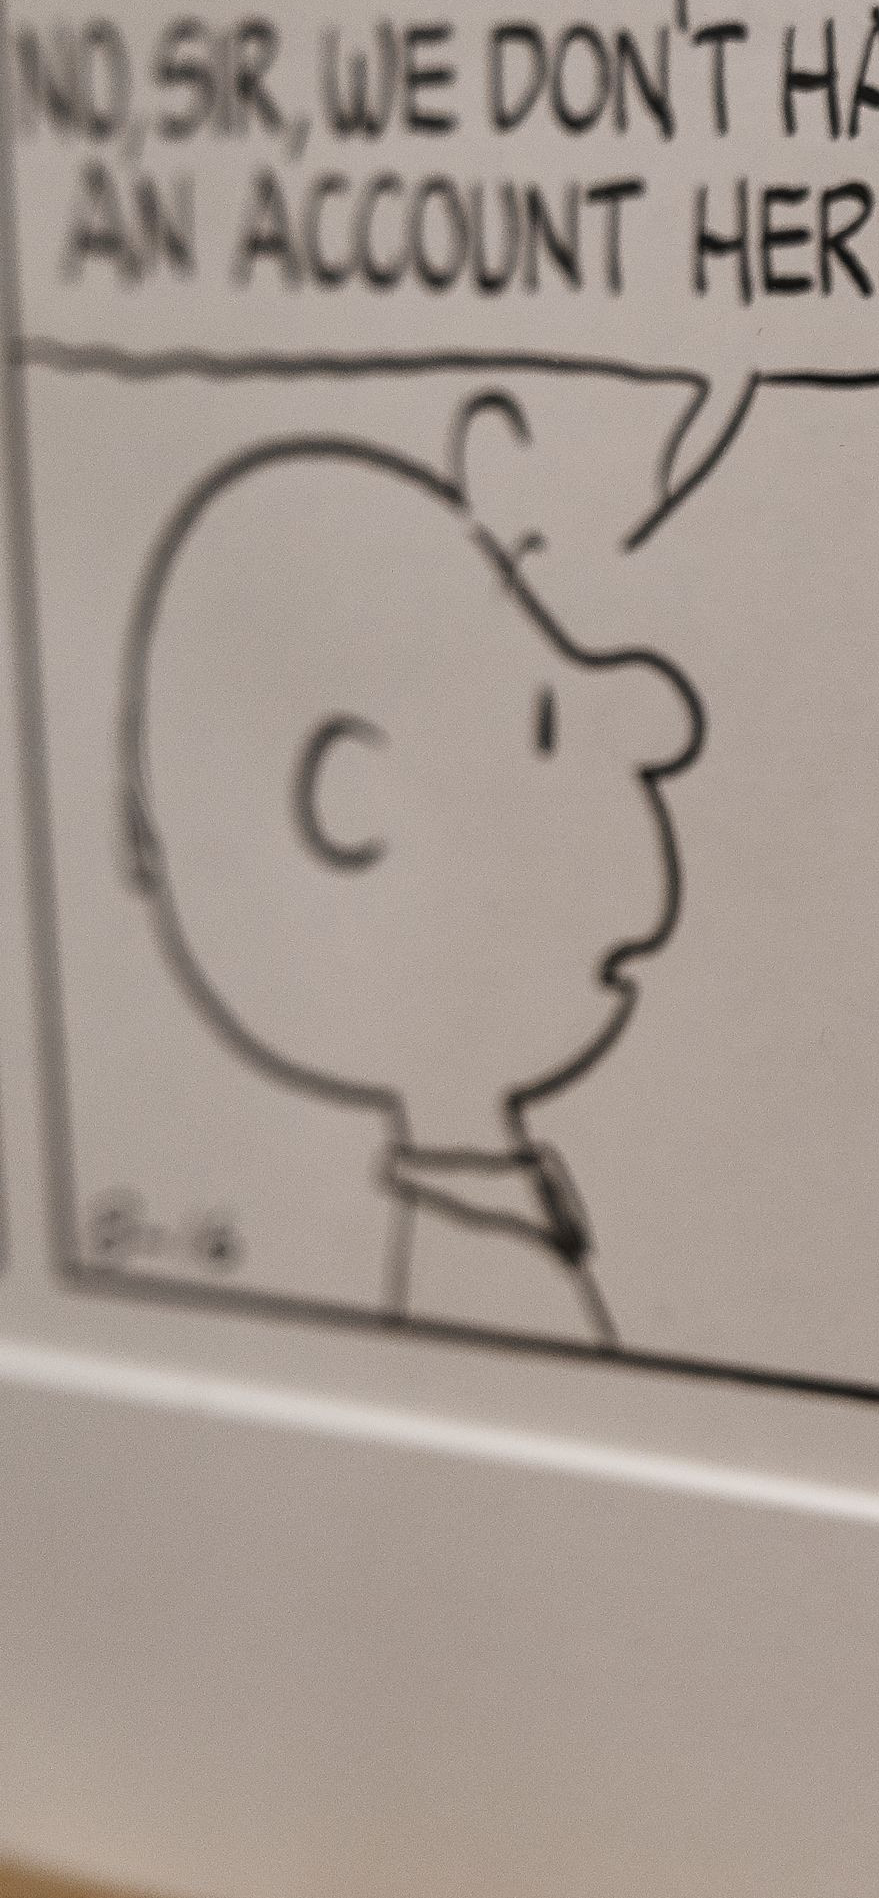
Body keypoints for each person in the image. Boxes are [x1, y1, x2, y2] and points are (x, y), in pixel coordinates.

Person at [122, 392, 701, 1344]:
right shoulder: (478, 1269)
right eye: (544, 723)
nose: (655, 729)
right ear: (357, 808)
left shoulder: (488, 1227)